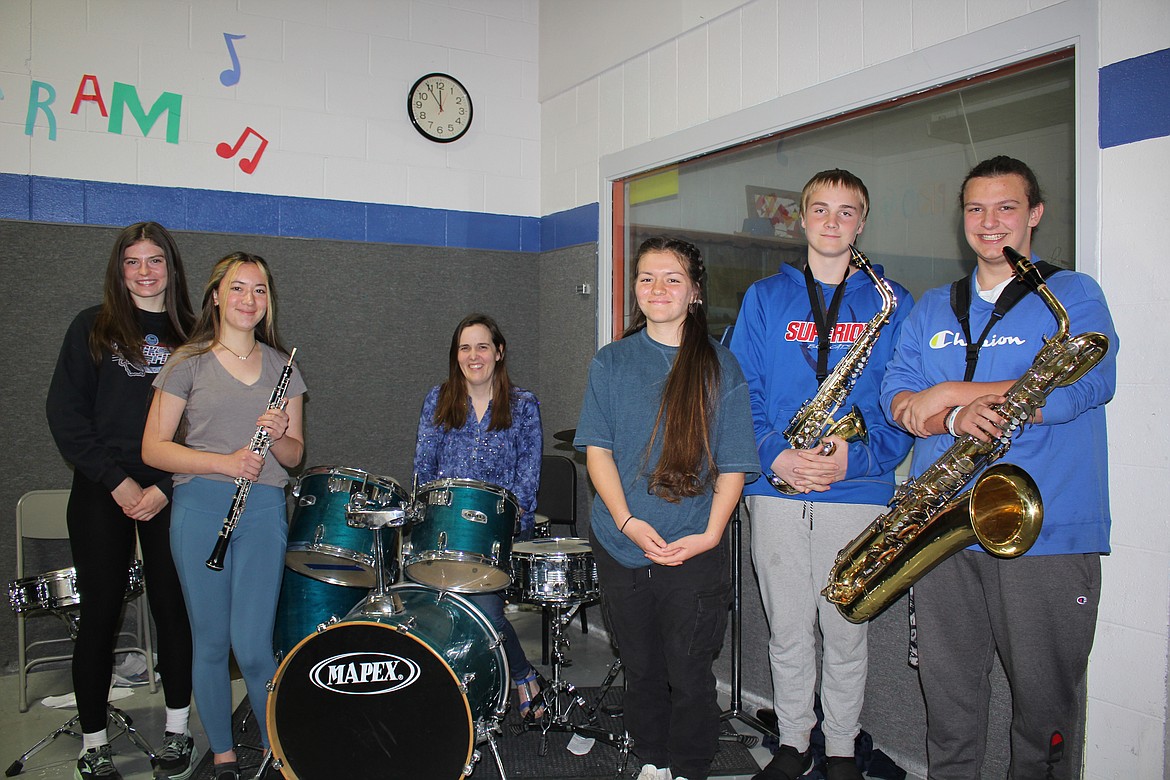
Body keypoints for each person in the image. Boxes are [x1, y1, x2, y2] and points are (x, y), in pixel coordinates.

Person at [880, 156, 1117, 779]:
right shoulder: (933, 306)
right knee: (949, 709)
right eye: (976, 209)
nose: (990, 223)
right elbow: (898, 396)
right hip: (944, 529)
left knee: (1045, 716)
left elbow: (1079, 383)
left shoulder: (1072, 294)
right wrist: (947, 418)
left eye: (1006, 207)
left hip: (1044, 531)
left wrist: (949, 394)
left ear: (1034, 215)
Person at [729, 170, 914, 780]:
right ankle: (792, 743)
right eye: (820, 209)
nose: (832, 222)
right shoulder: (764, 299)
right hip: (777, 485)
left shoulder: (893, 302)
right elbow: (743, 392)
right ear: (802, 219)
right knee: (786, 630)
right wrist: (774, 453)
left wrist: (854, 457)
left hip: (854, 490)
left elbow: (900, 401)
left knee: (845, 632)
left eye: (846, 211)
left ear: (862, 222)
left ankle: (839, 749)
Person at [574, 236, 759, 780]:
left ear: (695, 292)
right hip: (621, 541)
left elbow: (734, 464)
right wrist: (628, 522)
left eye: (672, 278)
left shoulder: (722, 368)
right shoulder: (611, 362)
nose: (658, 289)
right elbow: (597, 452)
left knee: (690, 670)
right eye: (647, 278)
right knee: (642, 667)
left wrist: (710, 534)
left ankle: (690, 767)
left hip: (693, 545)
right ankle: (652, 760)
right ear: (634, 288)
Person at [143, 253, 306, 780]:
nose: (248, 300)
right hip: (200, 507)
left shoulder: (285, 368)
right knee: (210, 641)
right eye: (238, 289)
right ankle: (223, 756)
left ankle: (275, 752)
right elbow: (153, 449)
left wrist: (280, 433)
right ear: (216, 296)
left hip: (261, 510)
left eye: (259, 291)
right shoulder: (186, 362)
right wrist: (224, 461)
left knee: (255, 646)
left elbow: (295, 457)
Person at [46, 222, 197, 780]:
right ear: (119, 269)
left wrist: (161, 485)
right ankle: (94, 741)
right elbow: (66, 415)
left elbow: (205, 422)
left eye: (155, 260)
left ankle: (178, 732)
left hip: (171, 487)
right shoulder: (91, 327)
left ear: (170, 267)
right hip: (101, 488)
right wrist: (118, 482)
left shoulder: (196, 334)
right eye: (132, 262)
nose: (144, 271)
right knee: (100, 613)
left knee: (172, 608)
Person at [413, 313, 546, 720]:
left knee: (484, 614)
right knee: (440, 614)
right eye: (465, 348)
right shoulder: (438, 400)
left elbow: (528, 477)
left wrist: (510, 520)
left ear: (499, 352)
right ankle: (467, 687)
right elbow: (423, 467)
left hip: (495, 534)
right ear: (456, 356)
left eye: (482, 346)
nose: (474, 356)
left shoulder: (523, 406)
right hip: (444, 530)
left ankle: (522, 675)